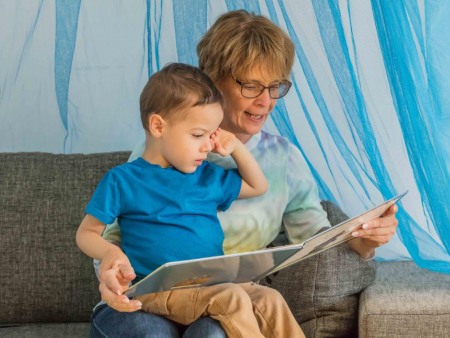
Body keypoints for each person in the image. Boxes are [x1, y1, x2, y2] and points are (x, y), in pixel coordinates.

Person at [91, 10, 400, 337]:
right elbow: (110, 236)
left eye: (275, 86)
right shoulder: (164, 148)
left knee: (213, 332)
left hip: (225, 298)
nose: (265, 102)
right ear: (213, 79)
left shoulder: (284, 160)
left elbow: (313, 243)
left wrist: (363, 243)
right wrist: (111, 273)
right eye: (252, 86)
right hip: (145, 296)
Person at [77, 62, 305, 338]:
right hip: (154, 291)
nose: (208, 146)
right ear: (158, 126)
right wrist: (110, 252)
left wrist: (235, 149)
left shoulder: (206, 176)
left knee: (270, 299)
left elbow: (258, 186)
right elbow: (86, 233)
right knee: (230, 298)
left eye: (211, 135)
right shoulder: (123, 180)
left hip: (208, 286)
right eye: (198, 135)